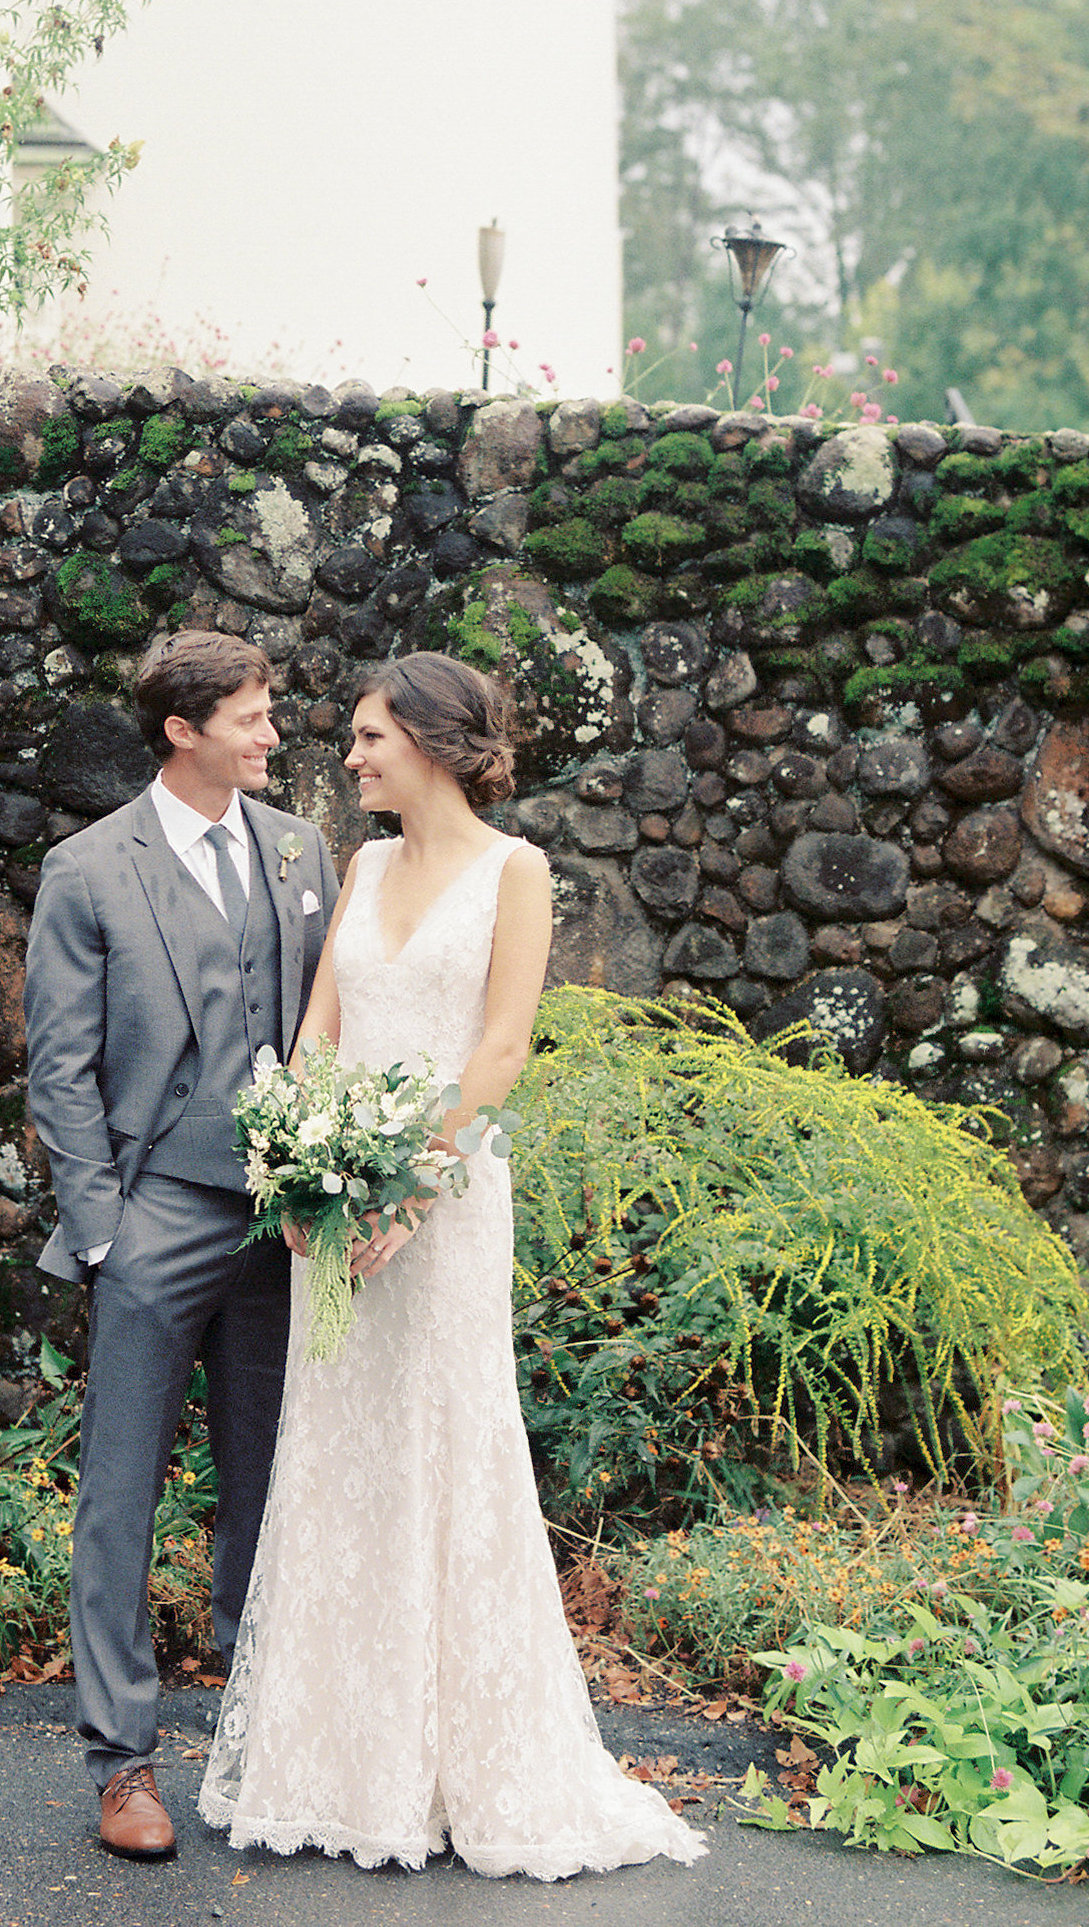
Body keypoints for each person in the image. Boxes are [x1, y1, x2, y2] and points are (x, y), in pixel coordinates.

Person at [198, 652, 708, 1878]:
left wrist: (408, 1186)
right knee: (342, 1454)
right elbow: (322, 1026)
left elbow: (501, 1046)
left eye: (371, 736)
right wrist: (312, 1175)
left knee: (444, 1447)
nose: (353, 756)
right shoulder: (365, 864)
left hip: (445, 1205)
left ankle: (463, 1768)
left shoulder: (516, 871)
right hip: (341, 1216)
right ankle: (342, 1765)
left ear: (431, 740)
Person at [23, 628, 340, 1863]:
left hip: (281, 1223)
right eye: (254, 717)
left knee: (269, 1487)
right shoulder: (91, 867)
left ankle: (255, 1738)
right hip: (154, 1208)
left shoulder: (303, 850)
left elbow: (331, 1011)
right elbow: (59, 1065)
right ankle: (124, 1763)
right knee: (120, 1493)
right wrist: (102, 1230)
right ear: (184, 731)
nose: (273, 734)